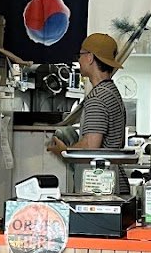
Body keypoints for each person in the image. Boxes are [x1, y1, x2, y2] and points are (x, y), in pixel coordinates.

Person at [47, 32, 129, 194]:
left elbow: (91, 146)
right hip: (112, 183)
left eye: (80, 55)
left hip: (103, 186)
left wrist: (64, 151)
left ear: (90, 57)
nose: (79, 60)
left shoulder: (98, 98)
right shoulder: (111, 91)